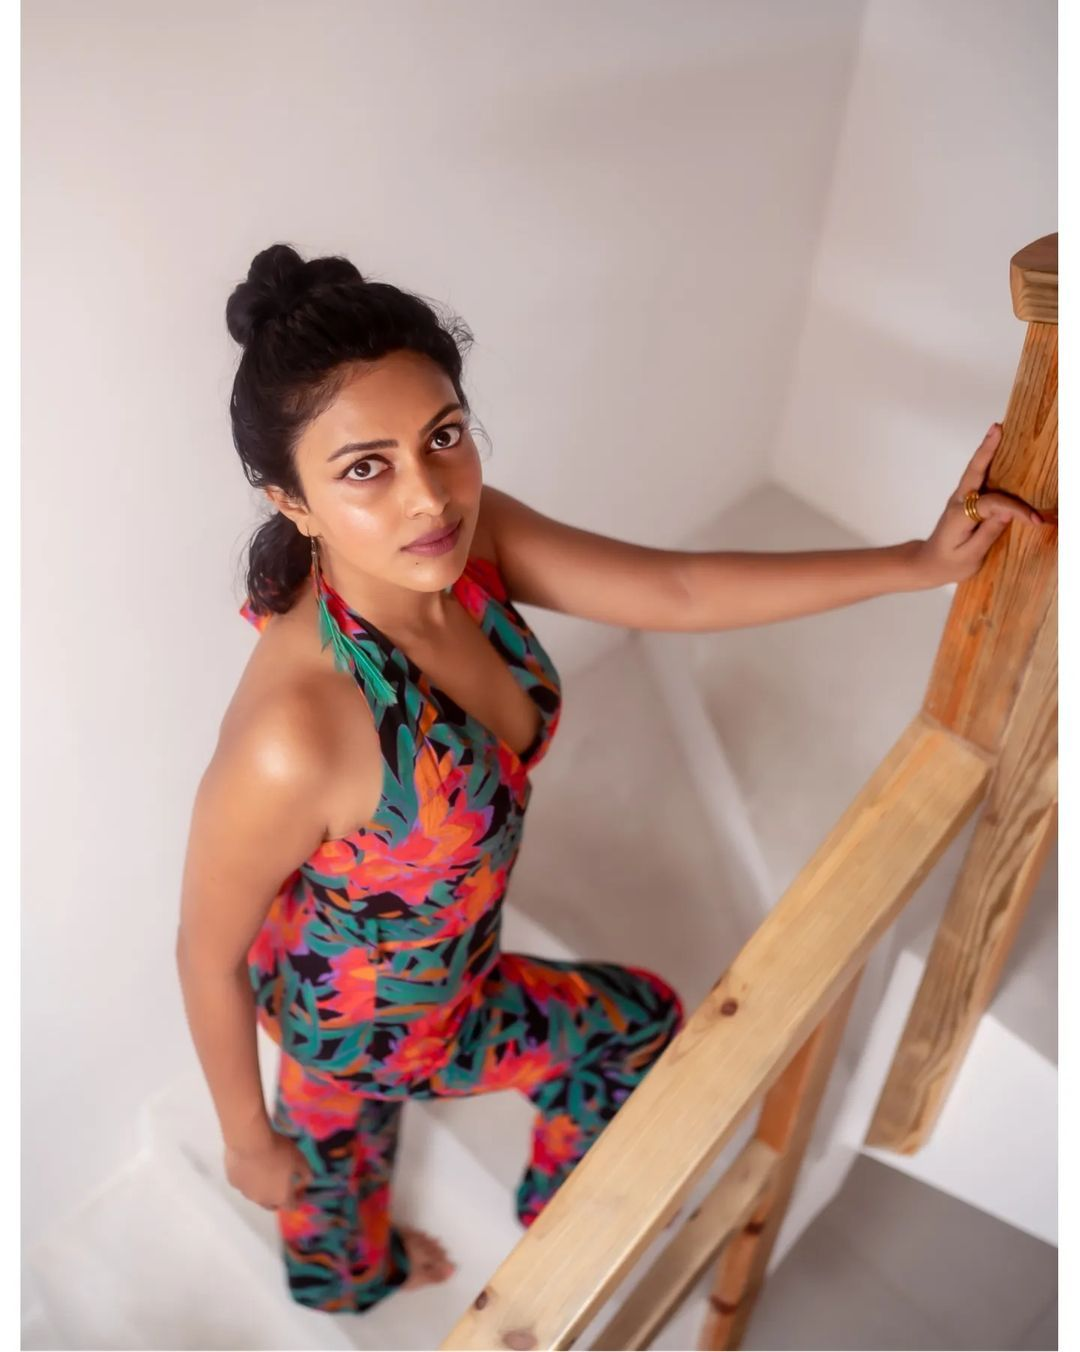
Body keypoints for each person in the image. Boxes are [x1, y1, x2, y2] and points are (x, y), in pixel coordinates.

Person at [175, 243, 1049, 1317]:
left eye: (443, 435)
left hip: (432, 954)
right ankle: (418, 1264)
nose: (428, 495)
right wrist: (245, 1139)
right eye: (366, 468)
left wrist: (916, 563)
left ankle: (437, 1239)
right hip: (371, 1018)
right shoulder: (297, 733)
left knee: (342, 1143)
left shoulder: (467, 543)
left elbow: (675, 588)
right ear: (291, 499)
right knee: (616, 1034)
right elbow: (204, 951)